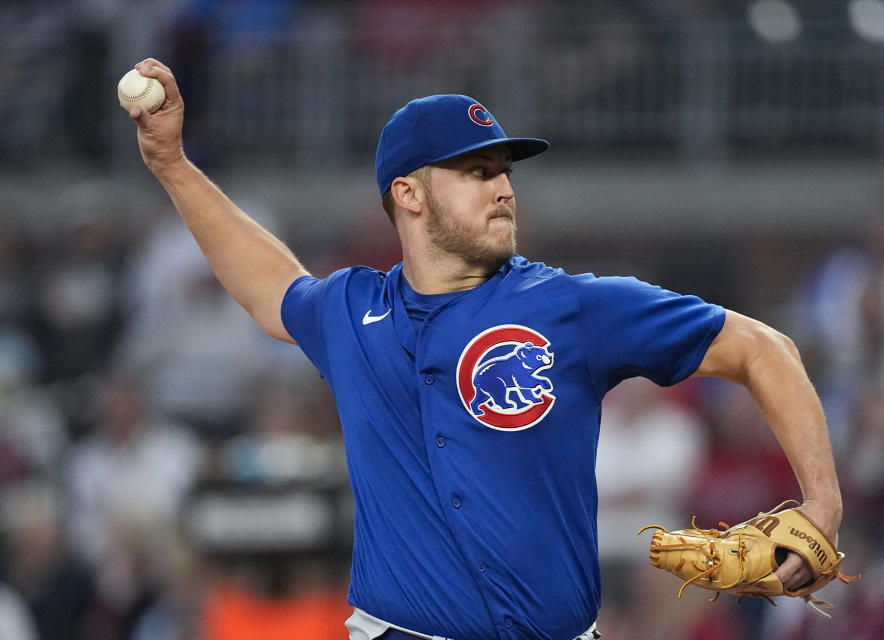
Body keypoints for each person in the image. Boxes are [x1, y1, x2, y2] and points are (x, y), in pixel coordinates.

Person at [127, 58, 844, 640]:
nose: (502, 188)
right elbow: (268, 286)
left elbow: (762, 347)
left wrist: (822, 501)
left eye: (503, 170)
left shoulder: (571, 306)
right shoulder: (352, 310)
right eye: (474, 171)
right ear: (408, 194)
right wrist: (173, 165)